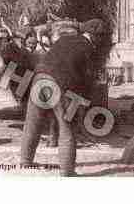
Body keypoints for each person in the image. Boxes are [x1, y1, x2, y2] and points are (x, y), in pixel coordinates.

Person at [19, 19, 108, 176]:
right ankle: (67, 172)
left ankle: (25, 161)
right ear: (95, 36)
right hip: (61, 85)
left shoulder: (64, 38)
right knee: (68, 128)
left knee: (32, 122)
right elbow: (87, 79)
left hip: (39, 78)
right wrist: (83, 103)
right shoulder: (89, 49)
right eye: (101, 37)